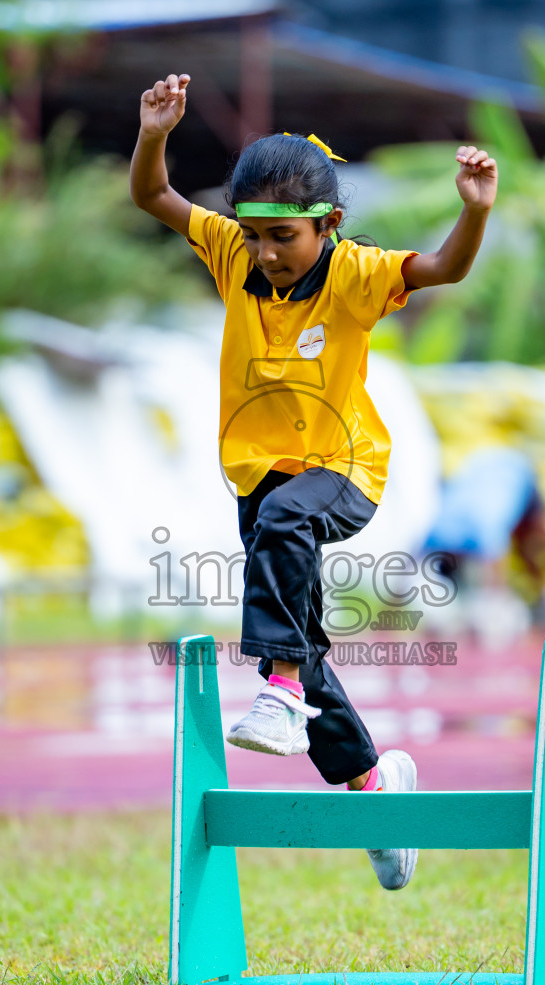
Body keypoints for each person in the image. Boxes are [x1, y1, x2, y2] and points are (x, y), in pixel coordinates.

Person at [130, 73, 497, 890]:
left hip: (343, 470)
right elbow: (152, 193)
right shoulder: (232, 252)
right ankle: (373, 788)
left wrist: (473, 211)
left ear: (327, 226)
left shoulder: (356, 274)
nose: (266, 254)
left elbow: (442, 267)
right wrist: (155, 129)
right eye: (255, 236)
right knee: (299, 632)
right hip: (258, 480)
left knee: (287, 551)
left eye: (284, 238)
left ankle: (284, 690)